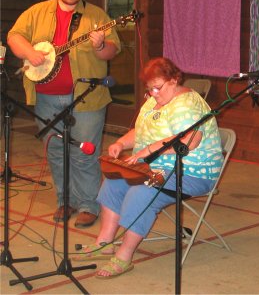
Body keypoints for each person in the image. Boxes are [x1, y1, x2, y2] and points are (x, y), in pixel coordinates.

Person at [74, 57, 224, 278]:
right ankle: (105, 242)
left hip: (191, 171)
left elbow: (190, 141)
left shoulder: (186, 104)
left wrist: (149, 150)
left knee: (143, 191)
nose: (153, 93)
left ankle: (124, 256)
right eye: (149, 89)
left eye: (157, 87)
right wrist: (121, 143)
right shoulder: (156, 99)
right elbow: (141, 130)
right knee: (115, 178)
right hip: (156, 165)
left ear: (174, 80)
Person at [7, 0, 121, 228]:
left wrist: (100, 44)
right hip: (45, 97)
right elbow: (14, 36)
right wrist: (30, 52)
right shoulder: (37, 12)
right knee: (55, 150)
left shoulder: (96, 16)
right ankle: (65, 201)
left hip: (87, 97)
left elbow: (112, 51)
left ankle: (88, 204)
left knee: (85, 153)